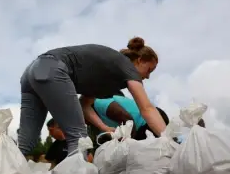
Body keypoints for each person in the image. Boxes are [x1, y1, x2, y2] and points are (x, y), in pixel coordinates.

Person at [17, 37, 166, 157]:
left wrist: (104, 127)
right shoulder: (127, 66)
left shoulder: (109, 74)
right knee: (79, 138)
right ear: (139, 61)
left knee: (26, 144)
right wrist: (168, 139)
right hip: (52, 68)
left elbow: (85, 105)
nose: (147, 76)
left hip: (33, 72)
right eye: (149, 70)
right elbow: (146, 108)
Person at [93, 95, 170, 141]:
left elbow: (128, 120)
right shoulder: (98, 127)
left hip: (147, 123)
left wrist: (128, 144)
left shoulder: (98, 103)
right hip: (138, 130)